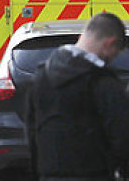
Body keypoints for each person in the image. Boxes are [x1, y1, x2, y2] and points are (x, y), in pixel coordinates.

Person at [26, 12, 129, 181]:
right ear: (110, 43)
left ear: (82, 36)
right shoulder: (103, 83)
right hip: (95, 174)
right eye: (115, 53)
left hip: (50, 174)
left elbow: (32, 132)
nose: (112, 59)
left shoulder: (41, 76)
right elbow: (122, 137)